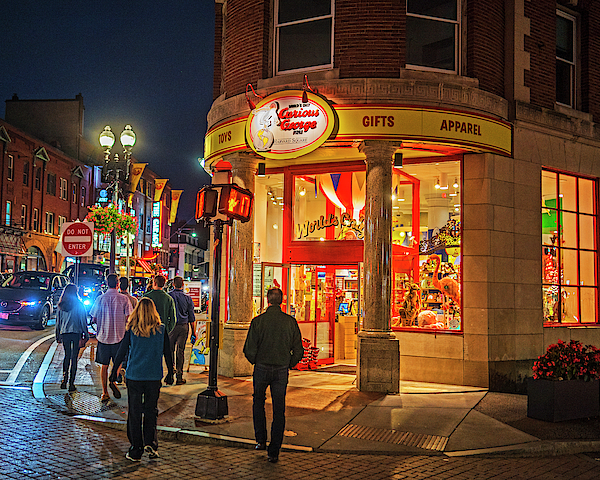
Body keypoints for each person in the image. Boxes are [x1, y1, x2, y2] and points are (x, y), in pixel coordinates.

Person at [109, 297, 175, 461]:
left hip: (135, 376)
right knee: (151, 411)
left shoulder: (132, 330)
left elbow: (121, 352)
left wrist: (113, 373)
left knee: (135, 412)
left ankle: (136, 448)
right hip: (153, 376)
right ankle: (151, 443)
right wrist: (171, 373)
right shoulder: (161, 329)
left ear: (137, 311)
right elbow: (168, 352)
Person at [243, 287, 303, 463]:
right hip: (280, 369)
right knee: (279, 408)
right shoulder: (290, 322)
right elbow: (298, 349)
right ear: (282, 301)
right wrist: (289, 362)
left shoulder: (258, 321)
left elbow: (249, 348)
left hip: (261, 367)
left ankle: (260, 439)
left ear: (267, 300)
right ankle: (274, 450)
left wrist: (256, 360)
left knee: (258, 402)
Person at [90, 273, 133, 402]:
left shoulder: (100, 299)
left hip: (103, 336)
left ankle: (104, 392)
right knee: (118, 362)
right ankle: (113, 380)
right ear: (118, 283)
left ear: (106, 283)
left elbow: (94, 318)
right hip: (120, 336)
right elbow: (129, 317)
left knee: (104, 365)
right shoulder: (124, 299)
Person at [55, 284, 89, 392]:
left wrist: (58, 335)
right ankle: (71, 383)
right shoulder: (79, 305)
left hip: (65, 333)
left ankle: (64, 380)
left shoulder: (61, 305)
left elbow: (58, 322)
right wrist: (86, 335)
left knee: (67, 356)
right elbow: (83, 321)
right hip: (76, 333)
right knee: (74, 358)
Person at [168, 276, 196, 385]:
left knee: (170, 350)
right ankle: (179, 376)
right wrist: (194, 332)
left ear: (173, 284)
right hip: (184, 327)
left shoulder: (169, 296)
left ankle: (170, 374)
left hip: (172, 327)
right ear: (183, 285)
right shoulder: (188, 298)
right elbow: (192, 317)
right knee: (180, 351)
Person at [116, 276, 138, 384]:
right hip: (130, 330)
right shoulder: (133, 300)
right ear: (128, 286)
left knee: (119, 352)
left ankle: (118, 373)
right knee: (129, 352)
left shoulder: (117, 298)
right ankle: (126, 372)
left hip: (117, 330)